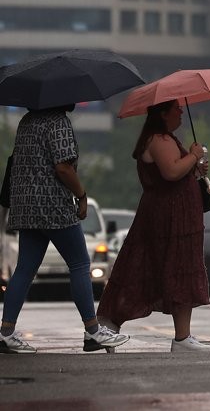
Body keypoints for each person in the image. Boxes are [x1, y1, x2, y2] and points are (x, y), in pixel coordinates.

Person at [0, 105, 130, 355]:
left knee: (24, 270)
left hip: (26, 206)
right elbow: (63, 167)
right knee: (80, 264)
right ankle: (92, 332)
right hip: (53, 206)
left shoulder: (27, 122)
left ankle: (6, 332)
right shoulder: (58, 122)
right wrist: (81, 195)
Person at [96, 100, 210, 352]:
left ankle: (183, 337)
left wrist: (195, 167)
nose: (181, 112)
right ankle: (109, 323)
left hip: (180, 218)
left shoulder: (168, 138)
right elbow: (170, 172)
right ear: (163, 113)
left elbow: (178, 173)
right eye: (176, 109)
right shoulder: (158, 139)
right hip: (167, 218)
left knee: (181, 271)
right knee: (149, 269)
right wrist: (193, 155)